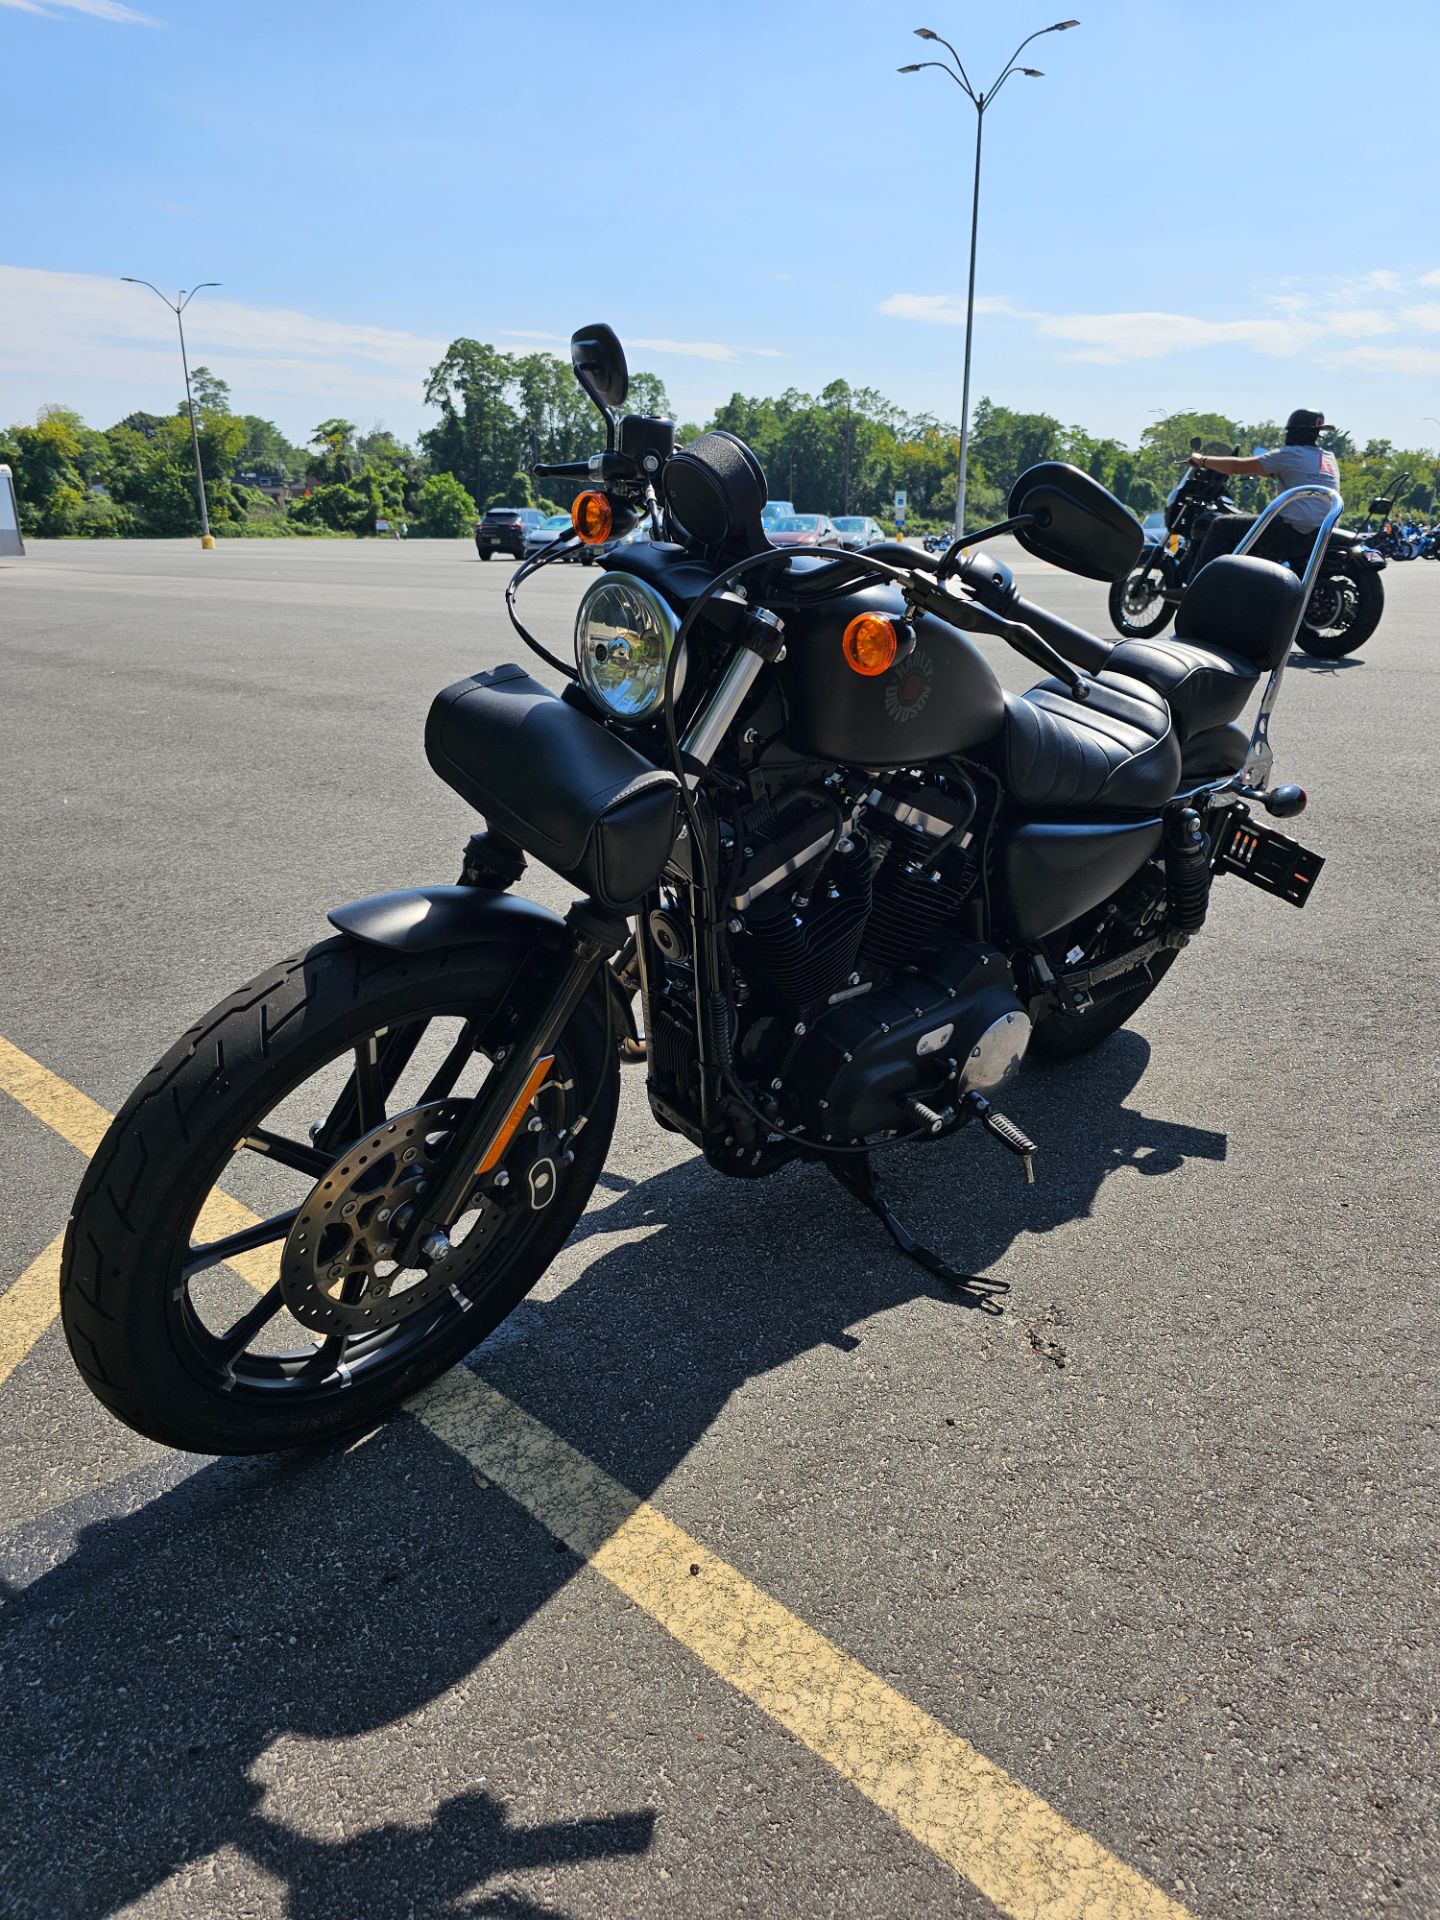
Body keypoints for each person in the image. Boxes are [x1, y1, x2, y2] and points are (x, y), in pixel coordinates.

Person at [1187, 409, 1341, 573]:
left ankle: (1194, 588)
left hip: (1294, 530)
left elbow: (1236, 467)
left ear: (1294, 431)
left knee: (1220, 524)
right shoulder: (1327, 458)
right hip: (1322, 531)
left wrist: (1202, 460)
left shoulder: (1290, 454)